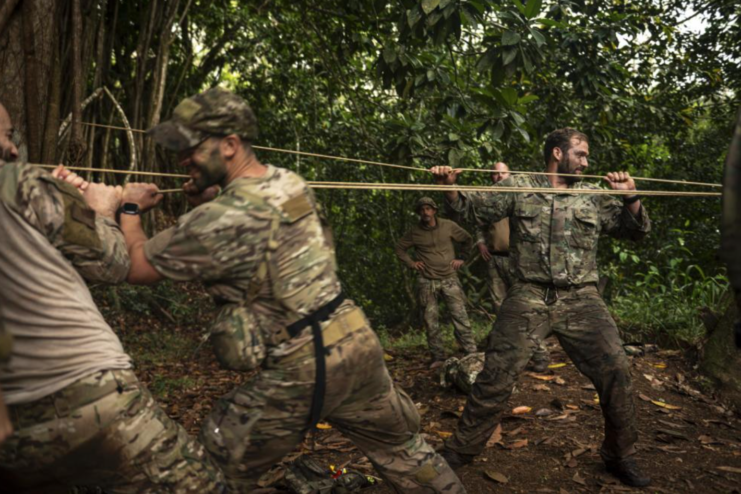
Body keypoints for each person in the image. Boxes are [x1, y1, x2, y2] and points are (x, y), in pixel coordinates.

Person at [118, 87, 466, 493]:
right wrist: (210, 196)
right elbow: (267, 229)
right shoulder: (290, 183)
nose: (181, 159)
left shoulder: (218, 216)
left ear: (230, 145)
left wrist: (129, 209)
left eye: (190, 149)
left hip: (305, 362)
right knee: (403, 448)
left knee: (216, 455)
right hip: (355, 339)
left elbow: (138, 266)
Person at [0, 102, 225, 493]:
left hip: (15, 428)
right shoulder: (20, 183)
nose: (14, 148)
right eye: (5, 135)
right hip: (90, 395)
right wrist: (105, 210)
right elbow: (118, 265)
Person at [432, 128, 652, 487]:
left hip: (582, 298)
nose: (586, 161)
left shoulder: (593, 194)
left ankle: (619, 455)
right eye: (580, 154)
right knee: (495, 374)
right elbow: (475, 209)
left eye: (586, 155)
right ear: (556, 153)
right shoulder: (519, 185)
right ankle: (460, 451)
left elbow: (636, 232)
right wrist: (451, 187)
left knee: (617, 369)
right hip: (528, 295)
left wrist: (631, 198)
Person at [474, 162, 550, 371]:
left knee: (526, 308)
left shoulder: (522, 194)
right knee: (501, 309)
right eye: (494, 174)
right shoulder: (488, 199)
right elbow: (478, 223)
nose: (498, 177)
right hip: (494, 260)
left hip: (519, 261)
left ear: (510, 174)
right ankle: (511, 354)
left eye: (502, 173)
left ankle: (540, 354)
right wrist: (480, 242)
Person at [395, 197, 477, 368]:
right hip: (427, 280)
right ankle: (438, 357)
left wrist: (462, 258)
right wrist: (412, 263)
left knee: (460, 316)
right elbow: (400, 248)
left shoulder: (448, 225)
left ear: (434, 210)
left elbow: (467, 239)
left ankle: (471, 352)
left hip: (449, 278)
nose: (425, 212)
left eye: (428, 209)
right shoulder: (414, 232)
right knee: (430, 320)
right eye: (422, 209)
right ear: (419, 213)